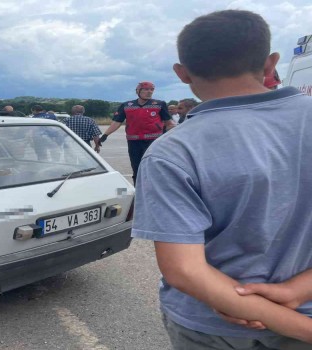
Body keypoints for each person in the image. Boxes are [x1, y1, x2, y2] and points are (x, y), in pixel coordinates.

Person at [131, 9, 312, 348]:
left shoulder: (173, 151)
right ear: (271, 63)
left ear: (182, 73)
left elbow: (185, 271)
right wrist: (294, 292)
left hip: (212, 330)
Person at [98, 81, 174, 184]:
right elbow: (117, 122)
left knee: (151, 167)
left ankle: (154, 191)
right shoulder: (127, 105)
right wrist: (105, 135)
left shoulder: (159, 104)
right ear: (138, 91)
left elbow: (169, 123)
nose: (149, 92)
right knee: (137, 168)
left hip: (153, 141)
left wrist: (172, 138)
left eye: (151, 90)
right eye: (146, 89)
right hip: (134, 142)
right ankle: (138, 191)